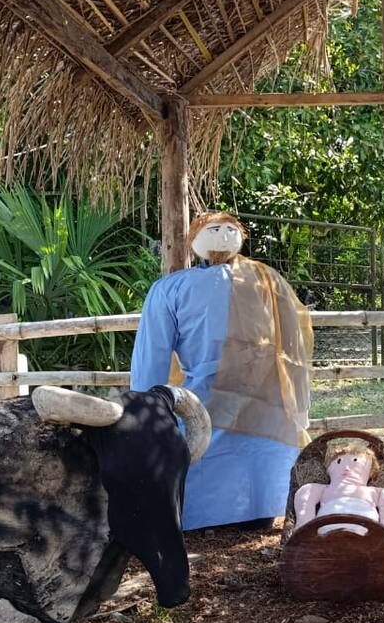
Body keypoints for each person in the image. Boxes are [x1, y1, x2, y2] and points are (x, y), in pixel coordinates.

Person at [131, 212, 312, 530]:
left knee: (204, 441)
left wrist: (146, 408)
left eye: (229, 228)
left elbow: (152, 355)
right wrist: (297, 396)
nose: (224, 234)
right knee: (259, 446)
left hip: (218, 389)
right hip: (266, 387)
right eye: (216, 228)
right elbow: (294, 346)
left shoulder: (171, 288)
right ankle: (264, 507)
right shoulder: (269, 280)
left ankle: (207, 515)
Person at [293, 443, 384, 536]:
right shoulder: (322, 489)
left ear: (371, 471)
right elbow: (306, 494)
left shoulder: (373, 492)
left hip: (366, 533)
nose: (346, 468)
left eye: (355, 461)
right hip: (327, 533)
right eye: (339, 461)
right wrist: (304, 527)